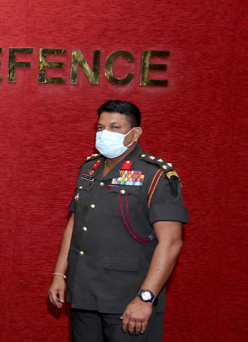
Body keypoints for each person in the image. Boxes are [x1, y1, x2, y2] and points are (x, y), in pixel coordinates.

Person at [48, 100, 189, 342]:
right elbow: (74, 223)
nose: (105, 134)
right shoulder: (89, 168)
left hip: (127, 299)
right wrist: (59, 274)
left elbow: (171, 242)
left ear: (135, 133)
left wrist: (146, 298)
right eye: (100, 127)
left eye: (115, 128)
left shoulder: (156, 174)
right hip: (84, 293)